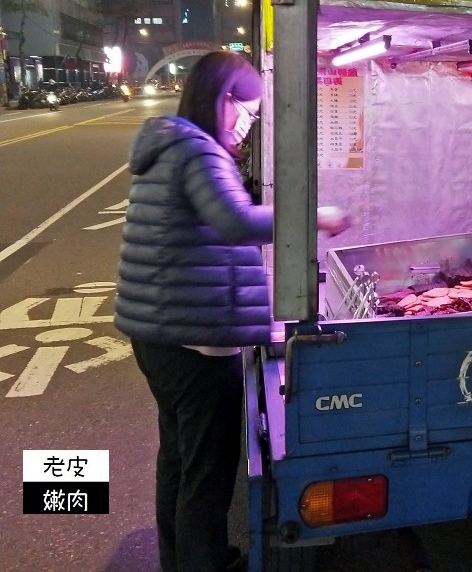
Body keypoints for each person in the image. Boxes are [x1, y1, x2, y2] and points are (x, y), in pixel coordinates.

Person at [114, 51, 350, 572]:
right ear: (222, 100)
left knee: (179, 457)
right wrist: (316, 217)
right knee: (208, 470)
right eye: (246, 108)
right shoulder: (196, 151)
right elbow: (233, 221)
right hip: (191, 340)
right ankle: (204, 563)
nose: (249, 121)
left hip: (160, 334)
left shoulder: (170, 146)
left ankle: (182, 559)